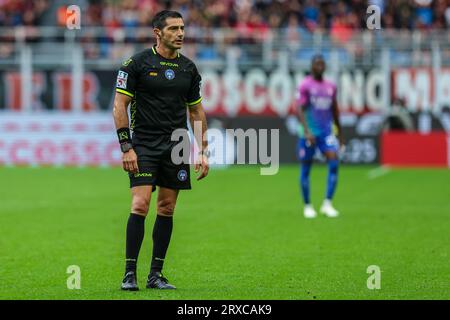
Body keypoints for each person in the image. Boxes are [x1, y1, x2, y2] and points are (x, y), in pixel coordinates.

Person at [112, 10, 209, 290]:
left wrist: (203, 149)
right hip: (143, 143)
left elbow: (196, 111)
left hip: (177, 145)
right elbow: (120, 106)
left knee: (166, 208)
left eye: (182, 28)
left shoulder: (189, 69)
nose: (180, 34)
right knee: (140, 204)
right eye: (174, 29)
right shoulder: (136, 64)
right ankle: (130, 274)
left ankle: (156, 274)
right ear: (158, 32)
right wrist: (126, 146)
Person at [296, 54, 344, 218]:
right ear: (311, 66)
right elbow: (300, 110)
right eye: (317, 64)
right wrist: (307, 131)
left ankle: (327, 204)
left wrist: (340, 134)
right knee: (306, 168)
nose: (320, 67)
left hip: (327, 133)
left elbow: (335, 111)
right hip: (309, 134)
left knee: (334, 163)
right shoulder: (305, 85)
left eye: (322, 64)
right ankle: (307, 205)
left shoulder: (331, 86)